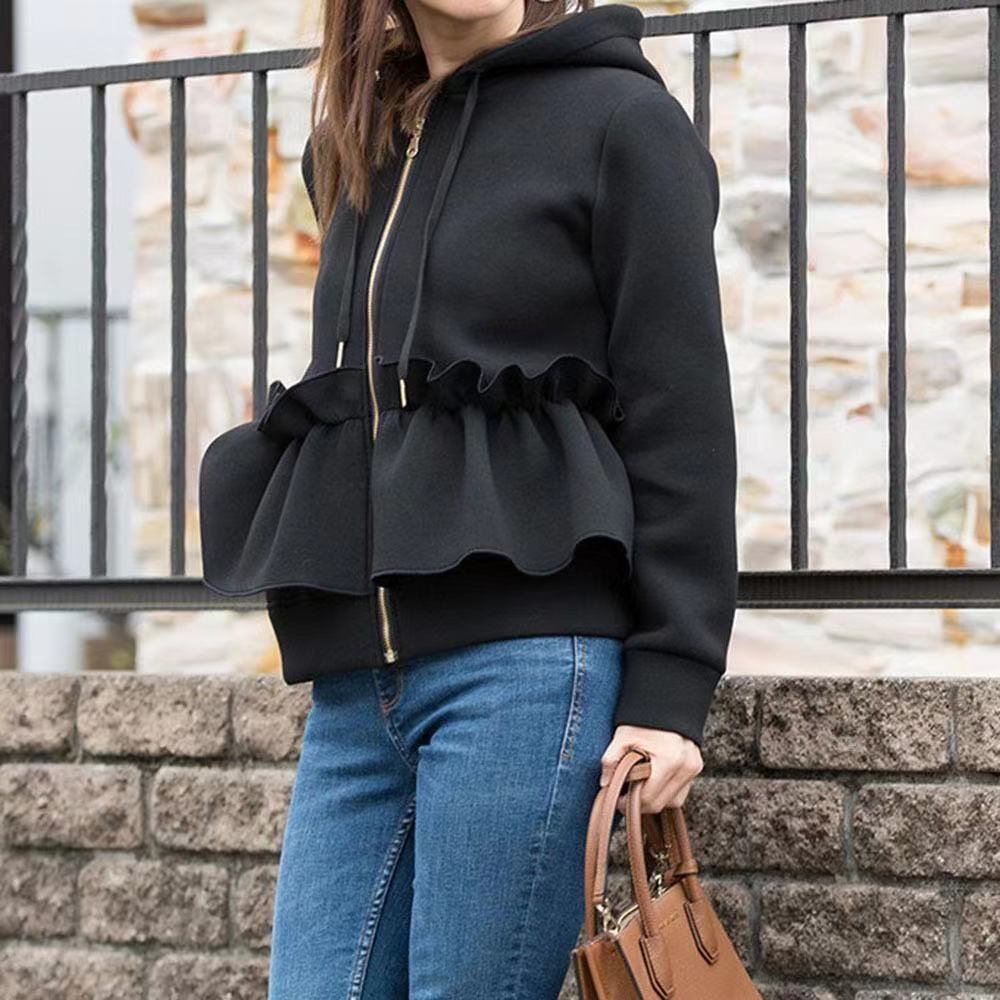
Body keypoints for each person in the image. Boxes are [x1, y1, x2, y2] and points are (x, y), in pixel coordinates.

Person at [197, 1, 738, 996]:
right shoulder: (355, 146)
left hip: (524, 674)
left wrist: (672, 685)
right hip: (358, 692)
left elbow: (683, 415)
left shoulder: (620, 120)